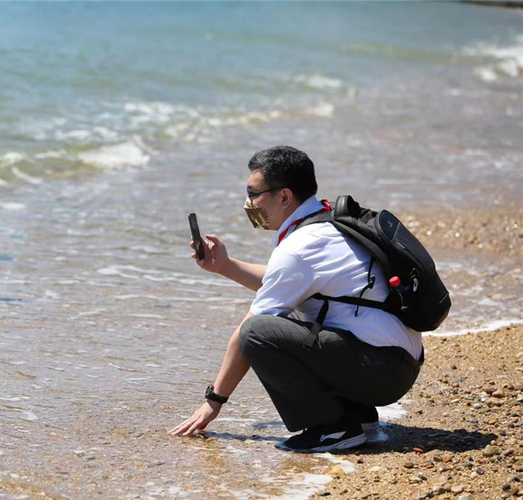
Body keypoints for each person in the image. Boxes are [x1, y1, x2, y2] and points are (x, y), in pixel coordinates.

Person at [169, 145, 423, 452]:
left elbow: (249, 331)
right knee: (291, 317)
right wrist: (225, 266)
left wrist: (214, 401)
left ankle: (334, 428)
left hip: (382, 370)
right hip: (393, 362)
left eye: (254, 194)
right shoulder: (327, 221)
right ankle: (357, 416)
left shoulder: (300, 247)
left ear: (284, 197)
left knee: (257, 333)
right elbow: (287, 283)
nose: (248, 204)